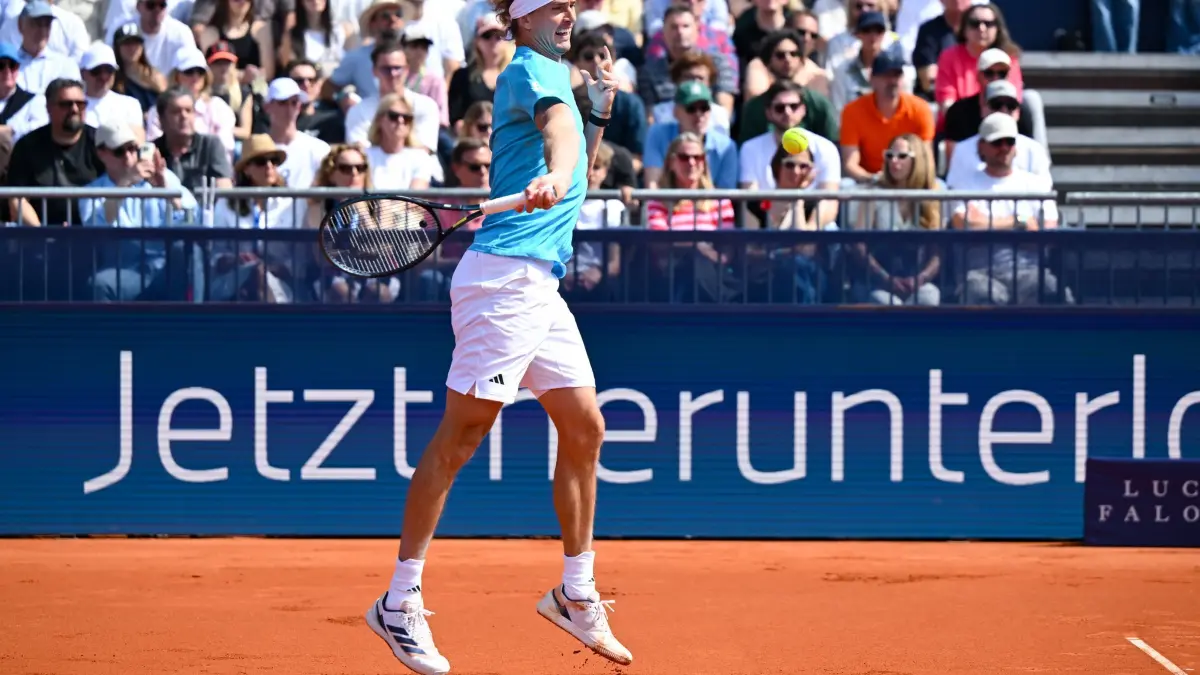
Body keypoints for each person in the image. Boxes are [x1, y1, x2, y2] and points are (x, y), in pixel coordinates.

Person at [362, 0, 633, 673]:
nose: (568, 16)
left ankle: (575, 592)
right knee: (459, 439)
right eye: (555, 7)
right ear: (521, 20)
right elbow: (560, 145)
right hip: (504, 281)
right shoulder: (530, 72)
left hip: (540, 282)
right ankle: (398, 601)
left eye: (572, 7)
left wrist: (591, 122)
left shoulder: (558, 82)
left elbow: (574, 163)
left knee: (585, 425)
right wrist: (562, 162)